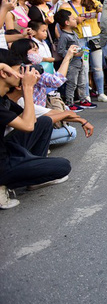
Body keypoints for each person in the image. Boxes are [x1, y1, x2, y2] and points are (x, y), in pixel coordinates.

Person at [0, 51, 72, 209]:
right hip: (2, 163)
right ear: (3, 73)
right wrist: (27, 88)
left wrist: (26, 90)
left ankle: (34, 175)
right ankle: (2, 184)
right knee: (63, 166)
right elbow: (28, 126)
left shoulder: (3, 97)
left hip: (6, 150)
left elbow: (32, 121)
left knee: (44, 121)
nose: (23, 74)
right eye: (20, 70)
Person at [60, 0, 107, 102]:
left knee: (98, 67)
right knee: (84, 67)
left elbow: (103, 10)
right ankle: (85, 95)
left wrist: (96, 11)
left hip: (94, 37)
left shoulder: (92, 2)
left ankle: (101, 93)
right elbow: (63, 22)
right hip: (79, 39)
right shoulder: (65, 6)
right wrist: (76, 20)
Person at [55, 9, 94, 110]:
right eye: (73, 18)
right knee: (72, 83)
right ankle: (69, 102)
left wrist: (82, 51)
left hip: (79, 61)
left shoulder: (73, 33)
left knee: (82, 82)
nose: (75, 20)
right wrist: (72, 54)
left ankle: (83, 99)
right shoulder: (64, 36)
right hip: (71, 63)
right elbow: (60, 50)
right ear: (67, 23)